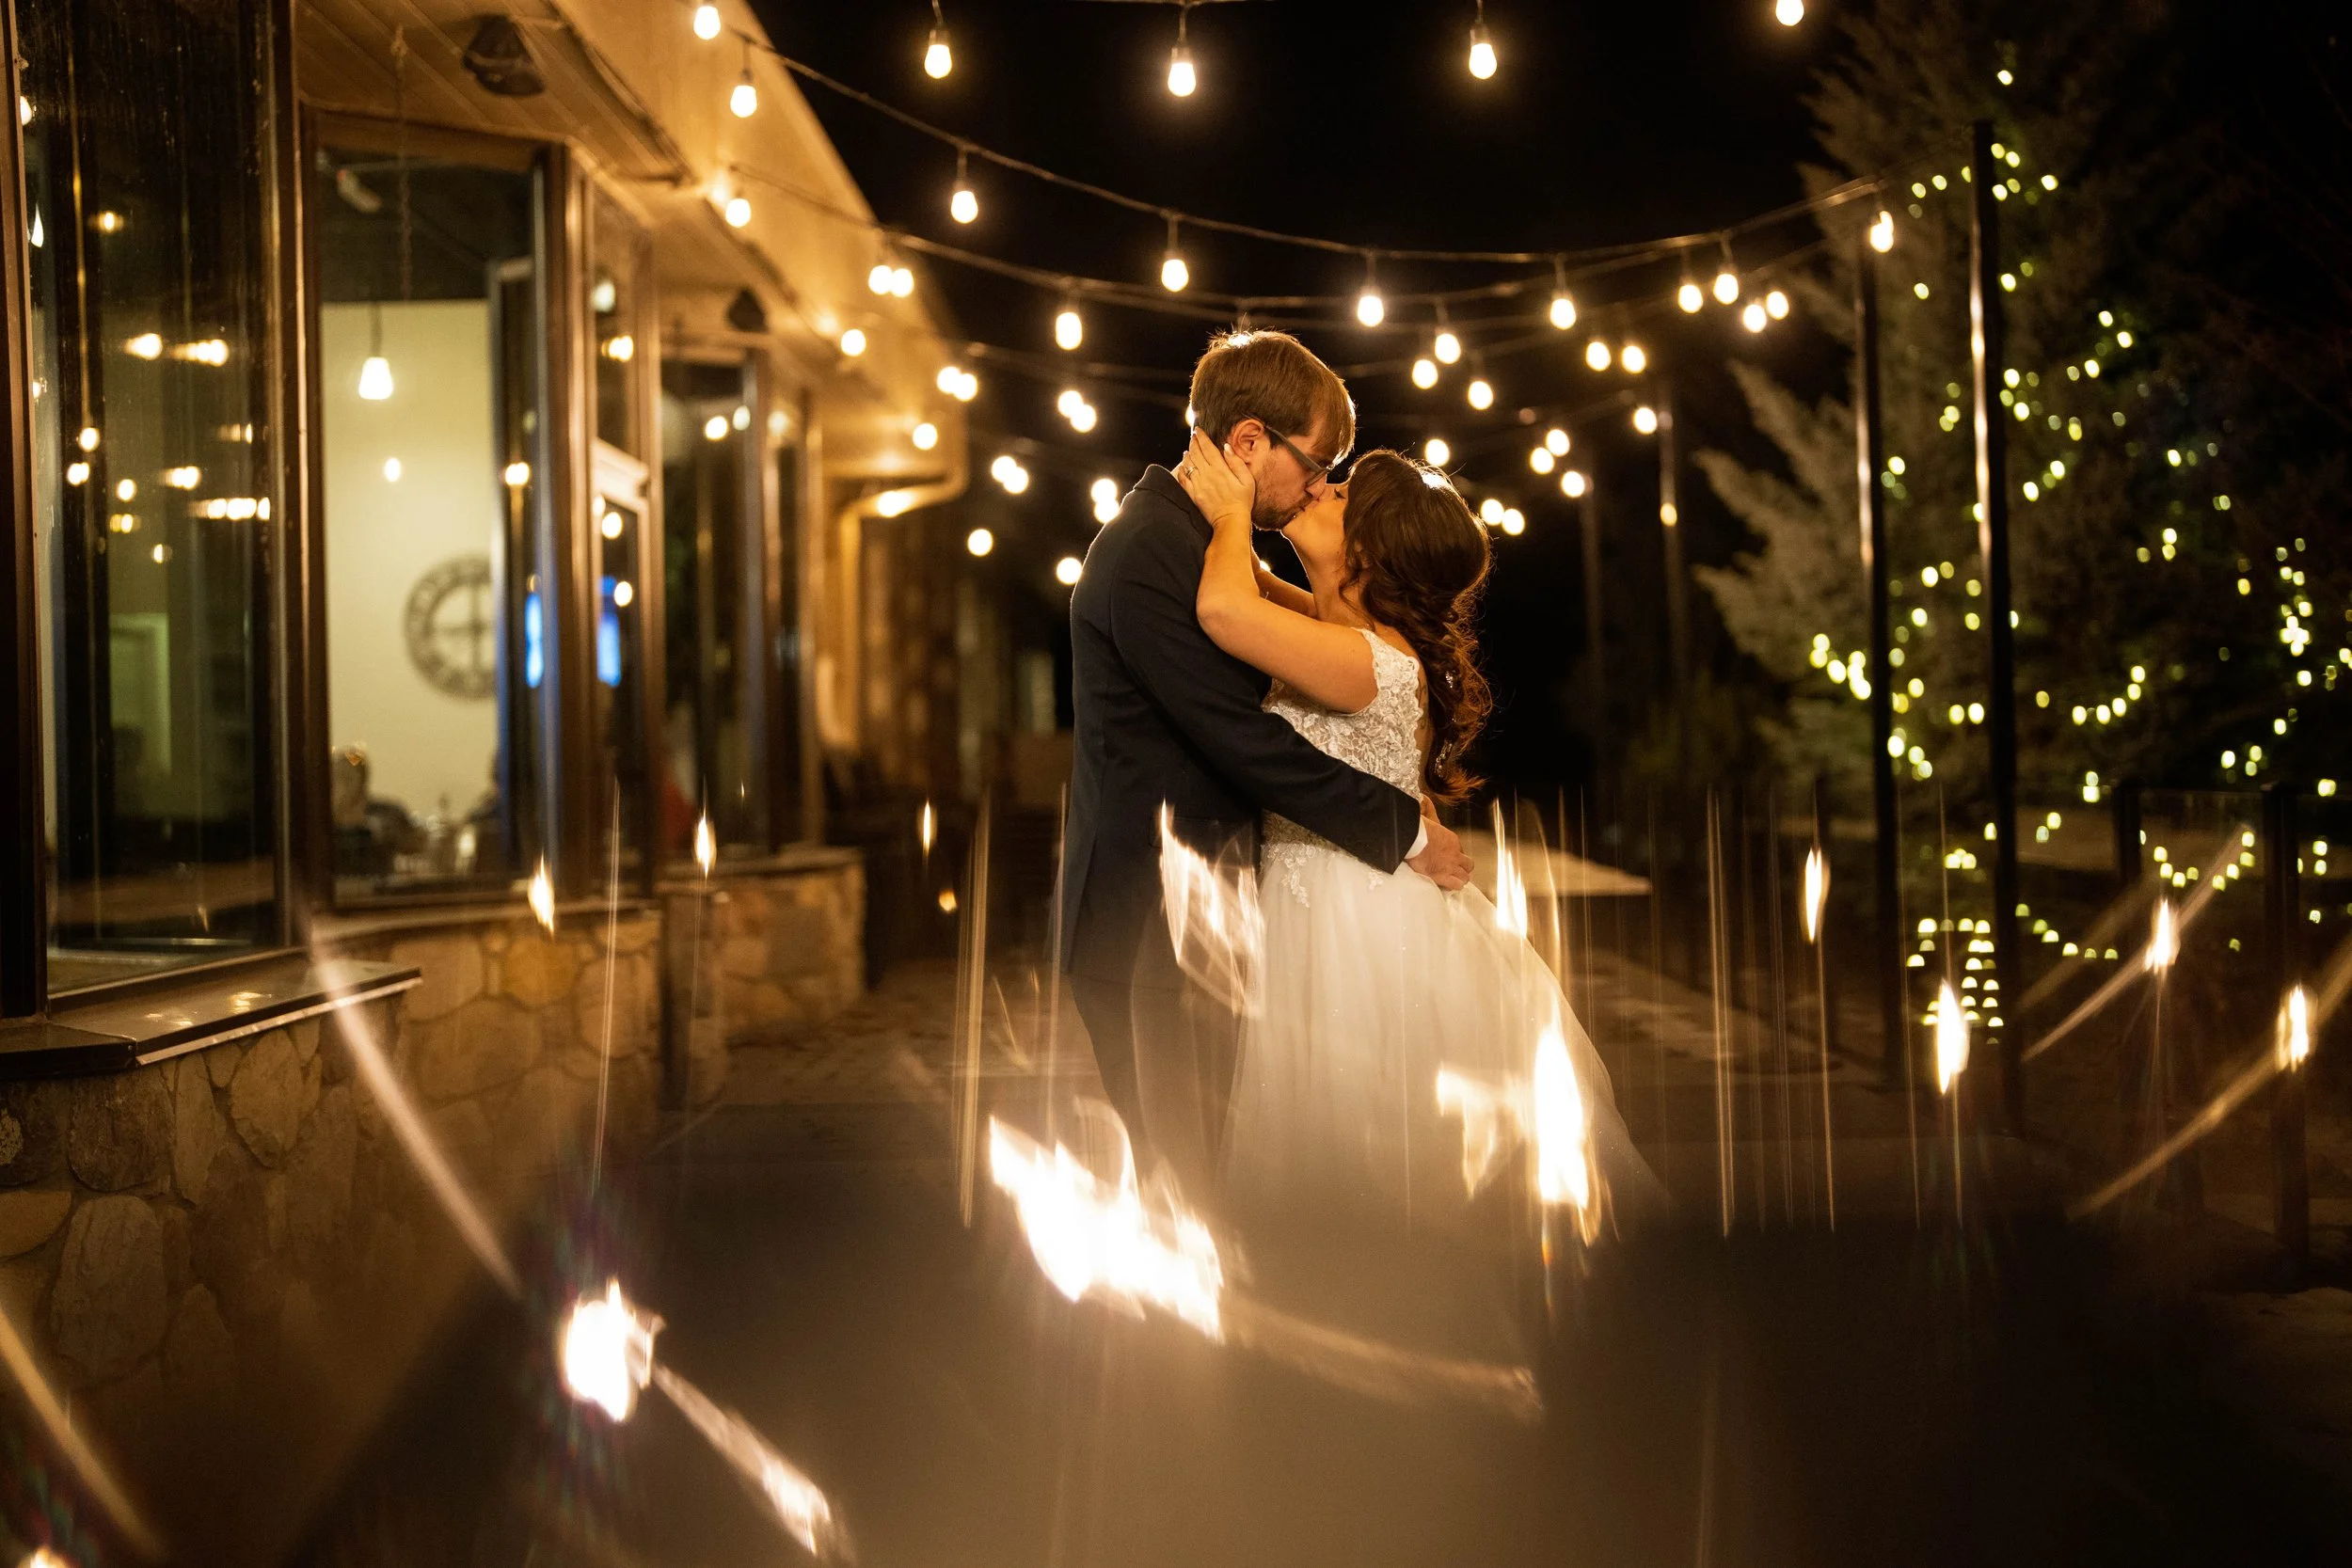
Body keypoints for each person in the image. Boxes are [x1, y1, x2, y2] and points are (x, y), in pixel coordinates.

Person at [1174, 430, 1661, 1357]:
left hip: (1355, 926)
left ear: (1370, 550)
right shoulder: (1347, 632)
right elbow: (1267, 599)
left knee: (1374, 1152)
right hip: (1337, 901)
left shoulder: (1368, 658)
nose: (1317, 487)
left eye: (1338, 492)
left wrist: (1233, 512)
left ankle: (1402, 1335)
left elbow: (1227, 610)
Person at [1061, 330, 1473, 1201]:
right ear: (1249, 442)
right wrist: (1402, 828)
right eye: (1318, 460)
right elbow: (1243, 743)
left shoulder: (1207, 546)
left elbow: (1278, 631)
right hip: (1156, 921)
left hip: (1210, 919)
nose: (1320, 484)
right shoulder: (1150, 554)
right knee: (1191, 1195)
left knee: (1248, 1185)